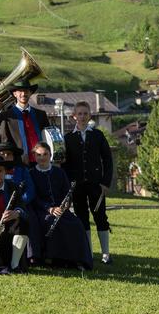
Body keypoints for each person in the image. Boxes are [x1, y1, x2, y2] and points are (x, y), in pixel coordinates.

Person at [63, 101, 114, 264]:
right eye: (79, 113)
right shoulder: (68, 138)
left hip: (96, 184)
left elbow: (107, 159)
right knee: (82, 218)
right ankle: (88, 253)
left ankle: (105, 254)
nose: (82, 116)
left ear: (90, 115)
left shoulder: (98, 135)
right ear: (74, 116)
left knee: (100, 216)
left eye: (85, 113)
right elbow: (65, 164)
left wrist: (105, 183)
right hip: (76, 186)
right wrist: (68, 185)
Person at [28, 142, 93, 270]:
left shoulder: (59, 172)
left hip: (61, 209)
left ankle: (79, 260)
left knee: (76, 224)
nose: (42, 157)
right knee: (51, 222)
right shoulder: (31, 174)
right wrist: (49, 208)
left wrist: (64, 207)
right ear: (34, 157)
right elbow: (33, 197)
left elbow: (67, 193)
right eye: (39, 155)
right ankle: (54, 259)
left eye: (45, 154)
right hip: (41, 210)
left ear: (50, 155)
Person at [0, 79, 50, 164]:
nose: (23, 94)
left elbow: (47, 138)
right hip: (18, 162)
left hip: (40, 161)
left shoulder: (41, 115)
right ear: (15, 94)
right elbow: (5, 142)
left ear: (30, 93)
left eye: (26, 91)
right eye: (20, 91)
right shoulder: (6, 116)